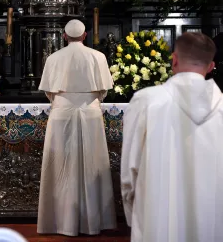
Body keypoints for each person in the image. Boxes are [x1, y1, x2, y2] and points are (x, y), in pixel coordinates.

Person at [121, 32, 223, 242]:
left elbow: (129, 174)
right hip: (212, 216)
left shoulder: (146, 101)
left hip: (157, 218)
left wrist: (136, 216)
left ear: (174, 60)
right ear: (211, 66)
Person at [37, 19, 117, 236]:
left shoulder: (53, 58)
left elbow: (49, 92)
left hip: (61, 114)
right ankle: (93, 222)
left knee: (61, 167)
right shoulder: (98, 57)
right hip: (90, 114)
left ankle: (59, 222)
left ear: (64, 36)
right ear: (84, 36)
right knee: (93, 164)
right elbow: (103, 91)